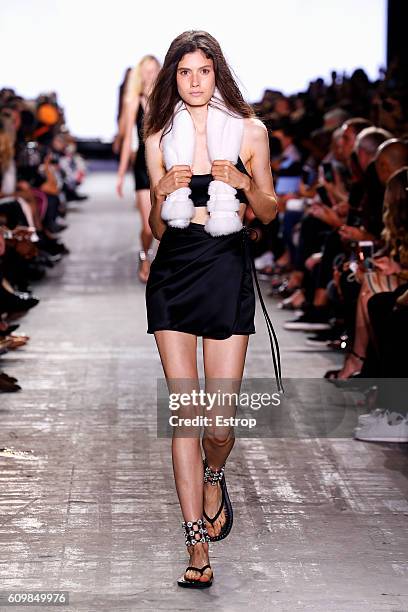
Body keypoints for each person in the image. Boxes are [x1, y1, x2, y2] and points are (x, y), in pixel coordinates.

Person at [143, 30, 281, 588]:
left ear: (217, 72)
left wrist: (244, 182)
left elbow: (269, 212)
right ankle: (197, 545)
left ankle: (214, 470)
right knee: (188, 412)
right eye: (184, 72)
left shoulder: (250, 131)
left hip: (225, 265)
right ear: (172, 78)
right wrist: (159, 195)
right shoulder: (158, 136)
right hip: (175, 267)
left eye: (203, 71)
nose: (194, 81)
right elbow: (153, 229)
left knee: (218, 421)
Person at [116, 55, 161, 283]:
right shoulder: (134, 101)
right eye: (145, 71)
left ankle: (158, 262)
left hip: (164, 166)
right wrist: (121, 173)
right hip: (143, 166)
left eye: (153, 70)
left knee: (164, 222)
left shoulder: (167, 99)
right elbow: (127, 142)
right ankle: (145, 256)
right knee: (147, 226)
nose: (149, 75)